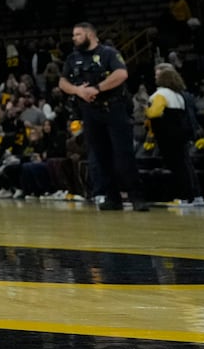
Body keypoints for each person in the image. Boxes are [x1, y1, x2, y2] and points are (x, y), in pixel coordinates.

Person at [58, 21, 148, 211]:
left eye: (78, 34)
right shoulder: (73, 58)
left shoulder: (108, 53)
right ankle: (111, 197)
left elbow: (121, 74)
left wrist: (97, 88)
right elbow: (62, 82)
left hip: (114, 109)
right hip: (90, 112)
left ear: (90, 35)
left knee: (123, 155)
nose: (74, 38)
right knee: (100, 156)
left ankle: (136, 197)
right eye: (73, 35)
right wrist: (78, 91)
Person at [146, 63, 201, 206]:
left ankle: (182, 197)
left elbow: (155, 112)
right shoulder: (178, 95)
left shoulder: (160, 94)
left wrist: (145, 111)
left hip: (167, 135)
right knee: (184, 164)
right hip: (180, 134)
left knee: (176, 166)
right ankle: (193, 195)